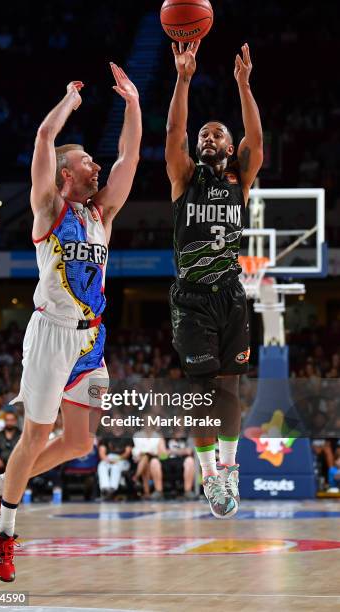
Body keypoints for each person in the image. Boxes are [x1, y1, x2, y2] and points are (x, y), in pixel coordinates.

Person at [0, 63, 142, 582]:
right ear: (67, 173)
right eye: (89, 160)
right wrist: (70, 98)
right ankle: (3, 530)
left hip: (91, 339)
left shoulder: (101, 215)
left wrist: (133, 104)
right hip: (49, 335)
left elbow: (131, 156)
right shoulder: (49, 208)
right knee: (35, 434)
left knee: (80, 442)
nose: (98, 165)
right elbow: (45, 136)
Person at [165, 41, 263, 518]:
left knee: (230, 389)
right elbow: (174, 131)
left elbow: (257, 142)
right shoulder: (183, 177)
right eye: (204, 134)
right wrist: (183, 79)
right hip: (191, 298)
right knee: (201, 393)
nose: (208, 138)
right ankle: (209, 476)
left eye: (217, 135)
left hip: (229, 293)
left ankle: (229, 470)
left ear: (229, 147)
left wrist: (244, 86)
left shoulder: (239, 182)